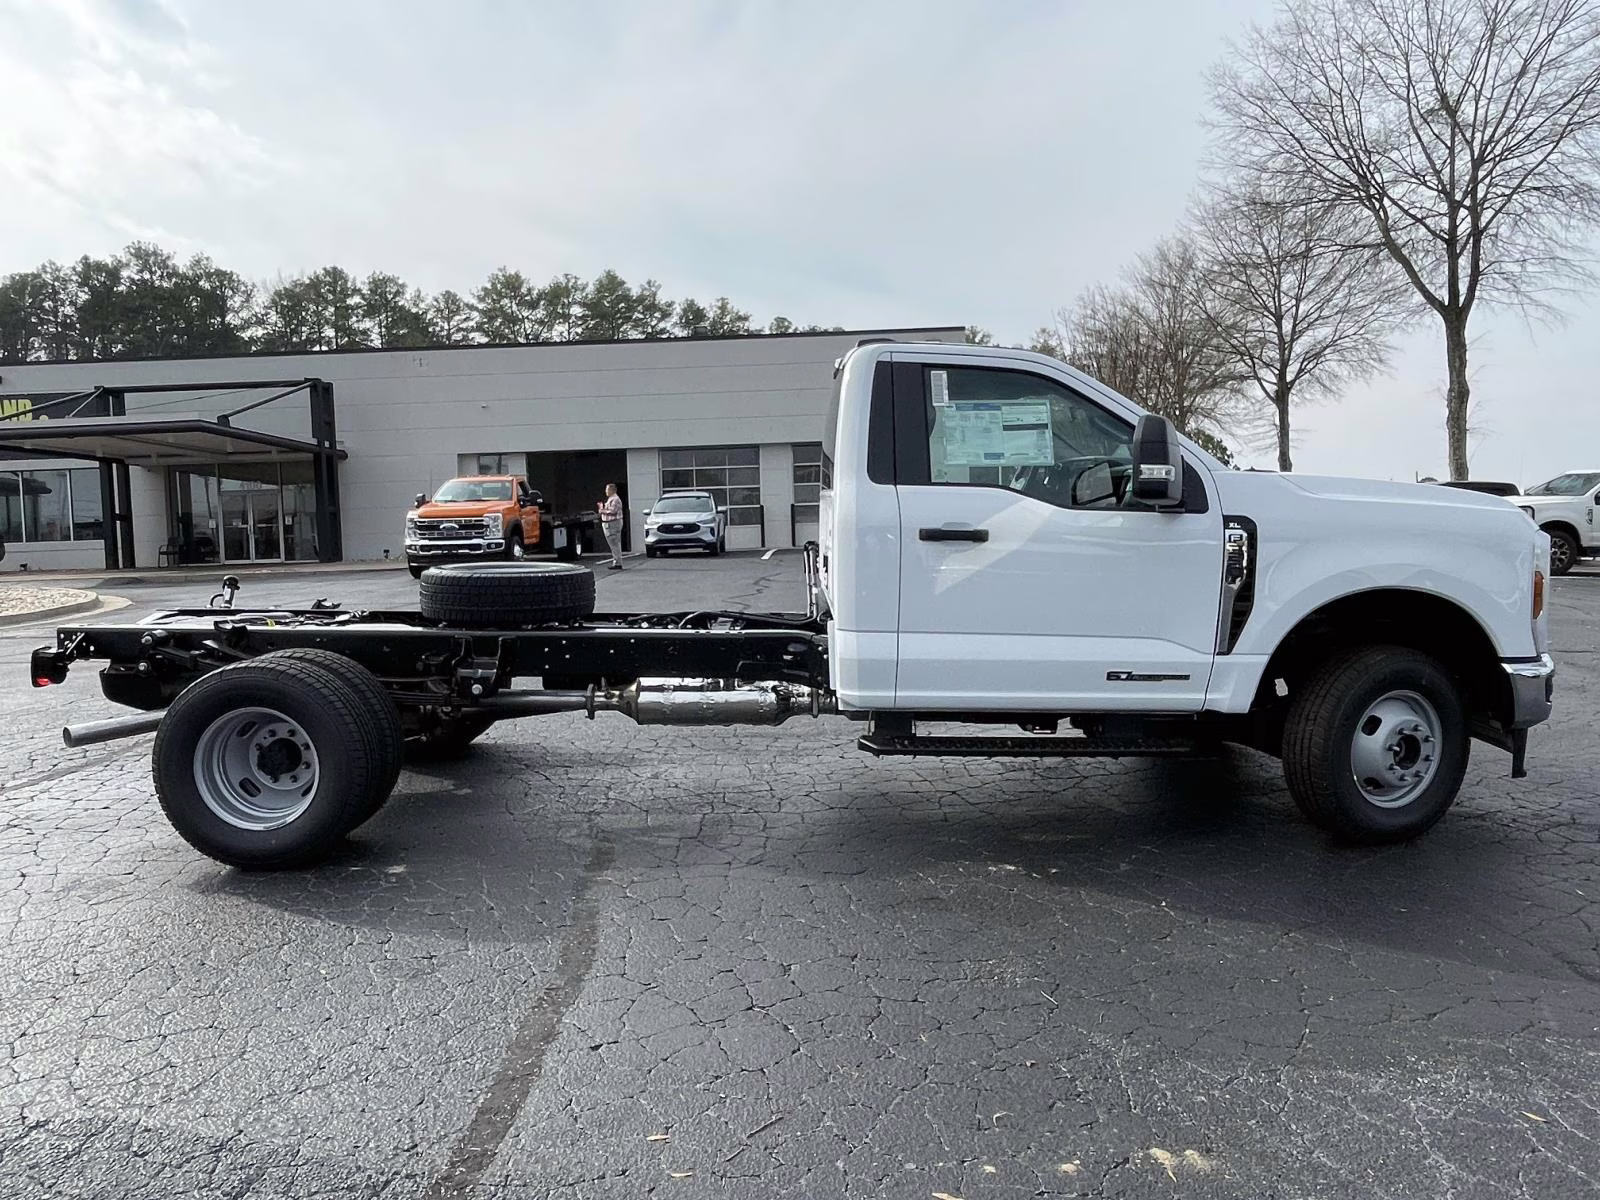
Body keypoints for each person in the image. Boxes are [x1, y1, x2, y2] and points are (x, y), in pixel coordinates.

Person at [597, 483, 625, 569]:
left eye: (607, 489)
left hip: (612, 524)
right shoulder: (611, 499)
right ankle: (616, 561)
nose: (606, 491)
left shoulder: (615, 499)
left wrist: (602, 510)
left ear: (612, 490)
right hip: (610, 523)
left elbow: (613, 511)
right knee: (614, 543)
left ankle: (617, 563)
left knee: (614, 543)